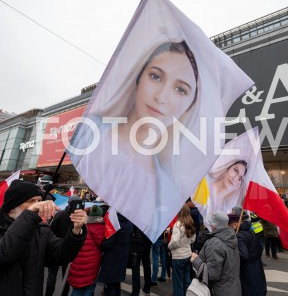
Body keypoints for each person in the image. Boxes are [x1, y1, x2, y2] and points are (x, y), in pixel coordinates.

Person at [69, 41, 200, 240]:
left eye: (180, 89)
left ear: (188, 107)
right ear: (138, 78)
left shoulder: (166, 187)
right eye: (155, 76)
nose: (161, 97)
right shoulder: (87, 135)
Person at [0, 180, 87, 296]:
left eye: (39, 201)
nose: (38, 205)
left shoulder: (41, 231)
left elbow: (60, 255)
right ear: (12, 207)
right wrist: (29, 216)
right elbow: (0, 255)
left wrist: (76, 231)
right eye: (31, 201)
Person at [190, 211, 241, 296]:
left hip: (220, 291)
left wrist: (196, 260)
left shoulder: (215, 243)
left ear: (213, 224)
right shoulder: (231, 236)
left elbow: (211, 274)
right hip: (233, 289)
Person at [45, 195, 81, 296]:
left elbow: (50, 230)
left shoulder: (62, 214)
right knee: (62, 276)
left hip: (60, 249)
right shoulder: (74, 217)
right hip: (62, 249)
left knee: (56, 276)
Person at [68, 205, 105, 296]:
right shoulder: (103, 228)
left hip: (77, 261)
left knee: (76, 290)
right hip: (92, 265)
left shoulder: (81, 225)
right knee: (88, 290)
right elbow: (103, 246)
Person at [98, 212, 133, 296]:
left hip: (112, 258)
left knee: (110, 285)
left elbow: (108, 243)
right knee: (117, 283)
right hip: (122, 257)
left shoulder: (115, 223)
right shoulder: (130, 222)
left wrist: (101, 244)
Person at [235, 212, 267, 296]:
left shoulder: (240, 236)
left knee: (249, 287)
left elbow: (244, 255)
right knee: (257, 285)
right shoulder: (251, 231)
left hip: (247, 268)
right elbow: (259, 248)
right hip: (256, 264)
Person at [168, 205, 196, 296]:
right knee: (186, 281)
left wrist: (169, 246)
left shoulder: (178, 224)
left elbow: (175, 242)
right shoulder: (191, 223)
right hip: (188, 255)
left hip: (178, 257)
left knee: (177, 283)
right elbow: (193, 239)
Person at [130, 225, 152, 296]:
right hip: (147, 241)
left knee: (135, 267)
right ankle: (147, 288)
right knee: (147, 265)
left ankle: (135, 292)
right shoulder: (150, 215)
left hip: (137, 243)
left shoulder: (137, 215)